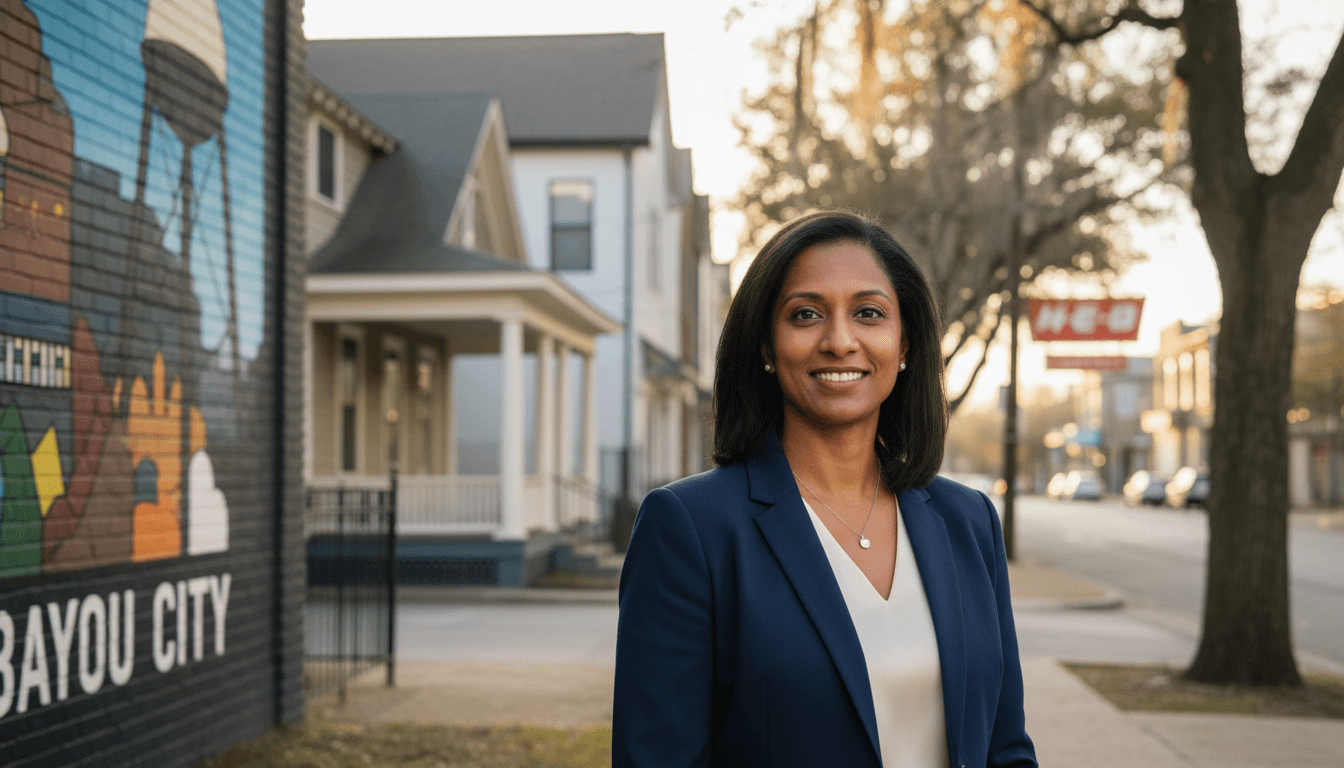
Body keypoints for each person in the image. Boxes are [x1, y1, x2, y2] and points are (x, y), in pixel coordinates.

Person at [612, 210, 1036, 767]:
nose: (839, 341)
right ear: (766, 346)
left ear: (905, 345)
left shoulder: (969, 521)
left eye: (868, 313)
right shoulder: (691, 528)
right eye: (806, 314)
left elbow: (1006, 749)